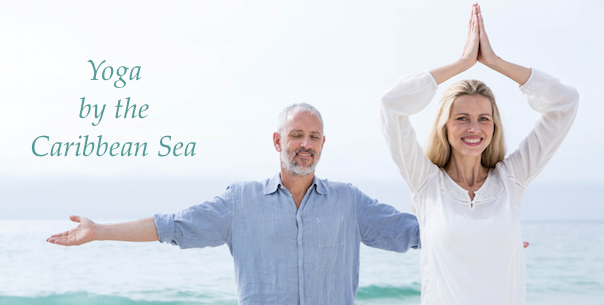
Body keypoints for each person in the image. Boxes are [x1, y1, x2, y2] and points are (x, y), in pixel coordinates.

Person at [47, 103, 421, 304]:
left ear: (323, 144)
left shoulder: (349, 202)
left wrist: (475, 221)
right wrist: (98, 232)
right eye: (296, 135)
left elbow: (413, 232)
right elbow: (172, 226)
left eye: (313, 136)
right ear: (277, 141)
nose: (305, 144)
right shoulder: (239, 202)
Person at [379, 4, 578, 305]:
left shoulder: (512, 179)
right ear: (445, 126)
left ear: (494, 126)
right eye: (462, 118)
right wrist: (463, 63)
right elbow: (391, 105)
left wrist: (494, 62)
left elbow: (565, 102)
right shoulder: (425, 183)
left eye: (483, 118)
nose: (474, 128)